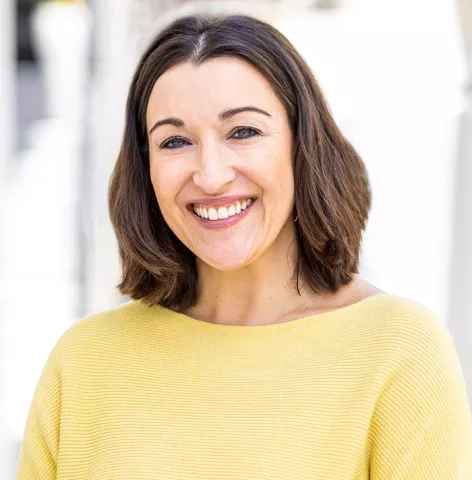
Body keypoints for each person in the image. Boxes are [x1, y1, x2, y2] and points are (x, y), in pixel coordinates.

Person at [15, 13, 472, 480]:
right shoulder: (84, 361)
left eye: (244, 132)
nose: (211, 175)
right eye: (175, 141)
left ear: (302, 144)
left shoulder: (397, 349)